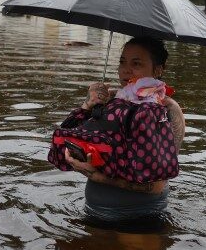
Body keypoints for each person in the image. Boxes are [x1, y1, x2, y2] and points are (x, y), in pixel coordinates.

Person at [58, 36, 185, 221]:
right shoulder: (111, 100)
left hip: (139, 217)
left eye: (136, 63)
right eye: (122, 62)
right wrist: (88, 105)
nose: (126, 70)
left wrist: (99, 177)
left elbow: (156, 185)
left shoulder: (167, 110)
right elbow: (66, 138)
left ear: (158, 70)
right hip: (94, 211)